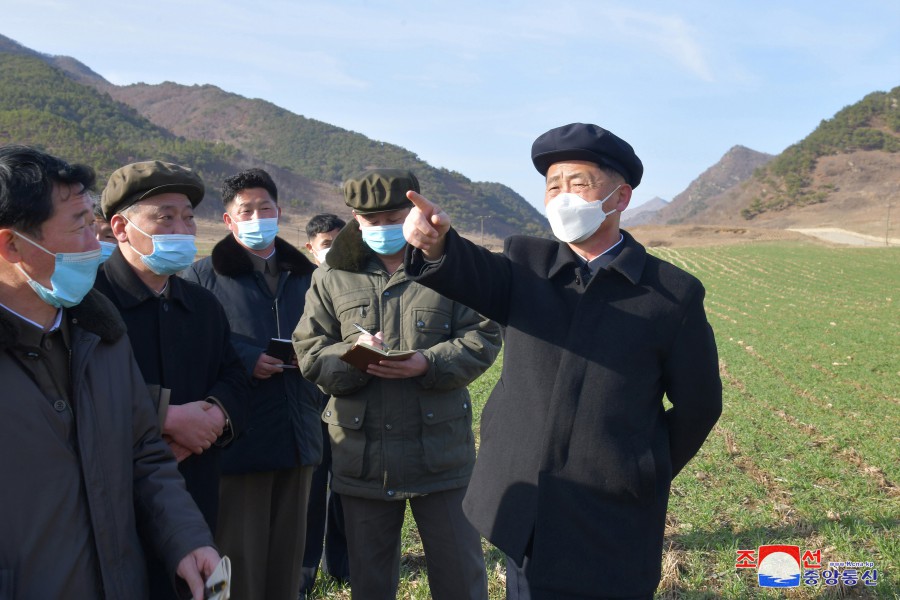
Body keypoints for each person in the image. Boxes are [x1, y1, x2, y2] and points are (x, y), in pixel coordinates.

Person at [402, 123, 723, 600]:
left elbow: (700, 405)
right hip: (527, 507)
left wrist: (640, 469)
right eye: (553, 186)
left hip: (613, 513)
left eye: (578, 183)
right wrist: (434, 245)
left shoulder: (669, 294)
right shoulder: (524, 265)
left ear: (619, 197)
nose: (562, 196)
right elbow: (470, 270)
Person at [0, 145, 221, 600]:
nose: (94, 244)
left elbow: (143, 453)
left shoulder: (99, 335)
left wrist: (185, 537)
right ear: (11, 244)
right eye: (80, 226)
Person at [293, 169, 502, 600]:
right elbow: (309, 352)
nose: (383, 227)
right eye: (372, 220)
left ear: (415, 211)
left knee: (461, 576)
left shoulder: (449, 266)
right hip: (362, 455)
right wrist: (354, 356)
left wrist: (428, 362)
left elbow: (484, 335)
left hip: (440, 453)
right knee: (369, 580)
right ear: (355, 218)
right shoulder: (331, 276)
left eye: (395, 216)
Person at [95, 159, 249, 600]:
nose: (182, 229)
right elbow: (74, 388)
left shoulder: (203, 306)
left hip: (197, 491)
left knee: (199, 588)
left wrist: (214, 416)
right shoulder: (89, 303)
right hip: (118, 500)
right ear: (121, 227)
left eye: (187, 217)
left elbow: (235, 377)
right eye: (164, 217)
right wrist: (165, 417)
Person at [182, 168, 324, 600]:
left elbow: (332, 329)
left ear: (279, 212)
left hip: (299, 427)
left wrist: (315, 353)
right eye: (247, 210)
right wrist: (247, 359)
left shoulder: (309, 276)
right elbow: (197, 345)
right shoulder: (202, 276)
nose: (258, 216)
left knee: (288, 557)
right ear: (228, 220)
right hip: (239, 437)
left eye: (266, 207)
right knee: (237, 558)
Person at [298, 213, 352, 596]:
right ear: (311, 248)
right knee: (313, 491)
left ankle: (343, 565)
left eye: (338, 240)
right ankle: (305, 570)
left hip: (347, 401)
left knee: (346, 490)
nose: (331, 249)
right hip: (308, 403)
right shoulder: (302, 283)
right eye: (325, 244)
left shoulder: (353, 281)